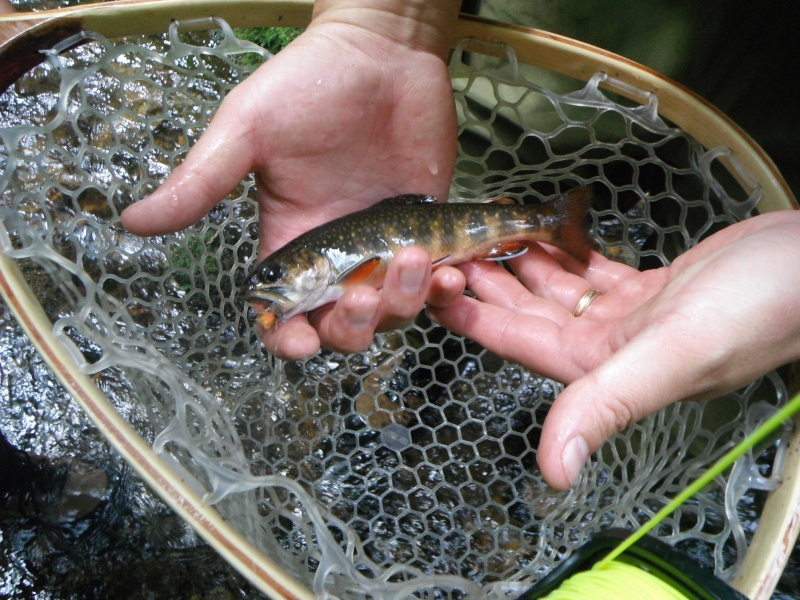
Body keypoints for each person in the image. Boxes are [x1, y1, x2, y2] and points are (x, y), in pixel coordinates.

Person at [120, 0, 800, 490]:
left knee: (687, 364)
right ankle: (428, 387)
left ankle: (633, 461)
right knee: (447, 281)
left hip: (780, 80)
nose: (269, 289)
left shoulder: (343, 265)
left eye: (279, 276)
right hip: (583, 20)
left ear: (314, 267)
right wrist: (389, 26)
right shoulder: (342, 261)